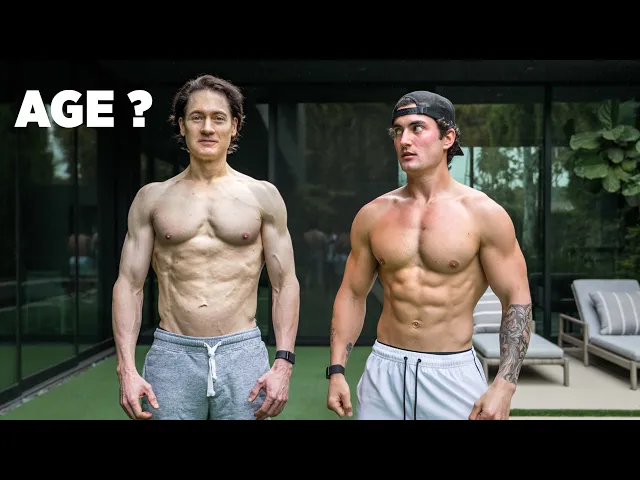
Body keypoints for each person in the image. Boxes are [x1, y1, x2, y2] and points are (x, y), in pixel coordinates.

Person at [325, 91, 532, 420]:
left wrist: (504, 386)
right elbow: (352, 294)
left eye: (417, 128)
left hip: (452, 372)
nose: (404, 140)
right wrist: (337, 370)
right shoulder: (373, 215)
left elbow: (516, 299)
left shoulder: (484, 214)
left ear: (448, 138)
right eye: (398, 131)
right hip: (384, 370)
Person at [112, 74, 300, 420]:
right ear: (181, 125)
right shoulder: (152, 198)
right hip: (173, 354)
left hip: (242, 353)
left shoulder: (262, 196)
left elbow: (284, 283)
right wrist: (126, 368)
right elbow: (129, 284)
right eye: (197, 117)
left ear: (235, 126)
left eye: (218, 118)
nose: (208, 128)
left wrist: (283, 364)